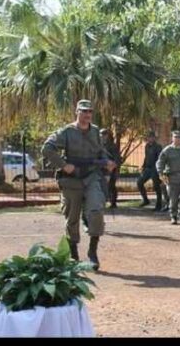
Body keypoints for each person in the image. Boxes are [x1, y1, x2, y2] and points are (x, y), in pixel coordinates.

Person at [41, 99, 116, 270]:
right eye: (84, 112)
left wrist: (107, 162)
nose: (87, 115)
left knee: (96, 210)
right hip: (72, 179)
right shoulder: (66, 131)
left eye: (89, 112)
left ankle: (92, 252)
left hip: (92, 176)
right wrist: (63, 165)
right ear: (77, 112)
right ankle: (74, 254)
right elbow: (47, 148)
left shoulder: (96, 131)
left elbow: (99, 152)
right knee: (72, 218)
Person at [137, 131, 169, 211]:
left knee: (156, 187)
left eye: (151, 137)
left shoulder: (158, 147)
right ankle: (146, 200)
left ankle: (158, 205)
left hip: (155, 169)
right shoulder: (147, 146)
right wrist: (143, 166)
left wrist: (158, 170)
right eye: (149, 137)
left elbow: (159, 159)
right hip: (147, 169)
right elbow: (146, 157)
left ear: (154, 138)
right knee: (139, 182)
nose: (150, 138)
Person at [100, 128, 121, 208]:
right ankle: (104, 201)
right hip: (103, 168)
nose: (103, 136)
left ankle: (113, 202)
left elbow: (116, 158)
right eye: (101, 134)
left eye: (104, 135)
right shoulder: (99, 145)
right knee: (104, 185)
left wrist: (114, 168)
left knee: (111, 185)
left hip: (112, 168)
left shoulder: (112, 146)